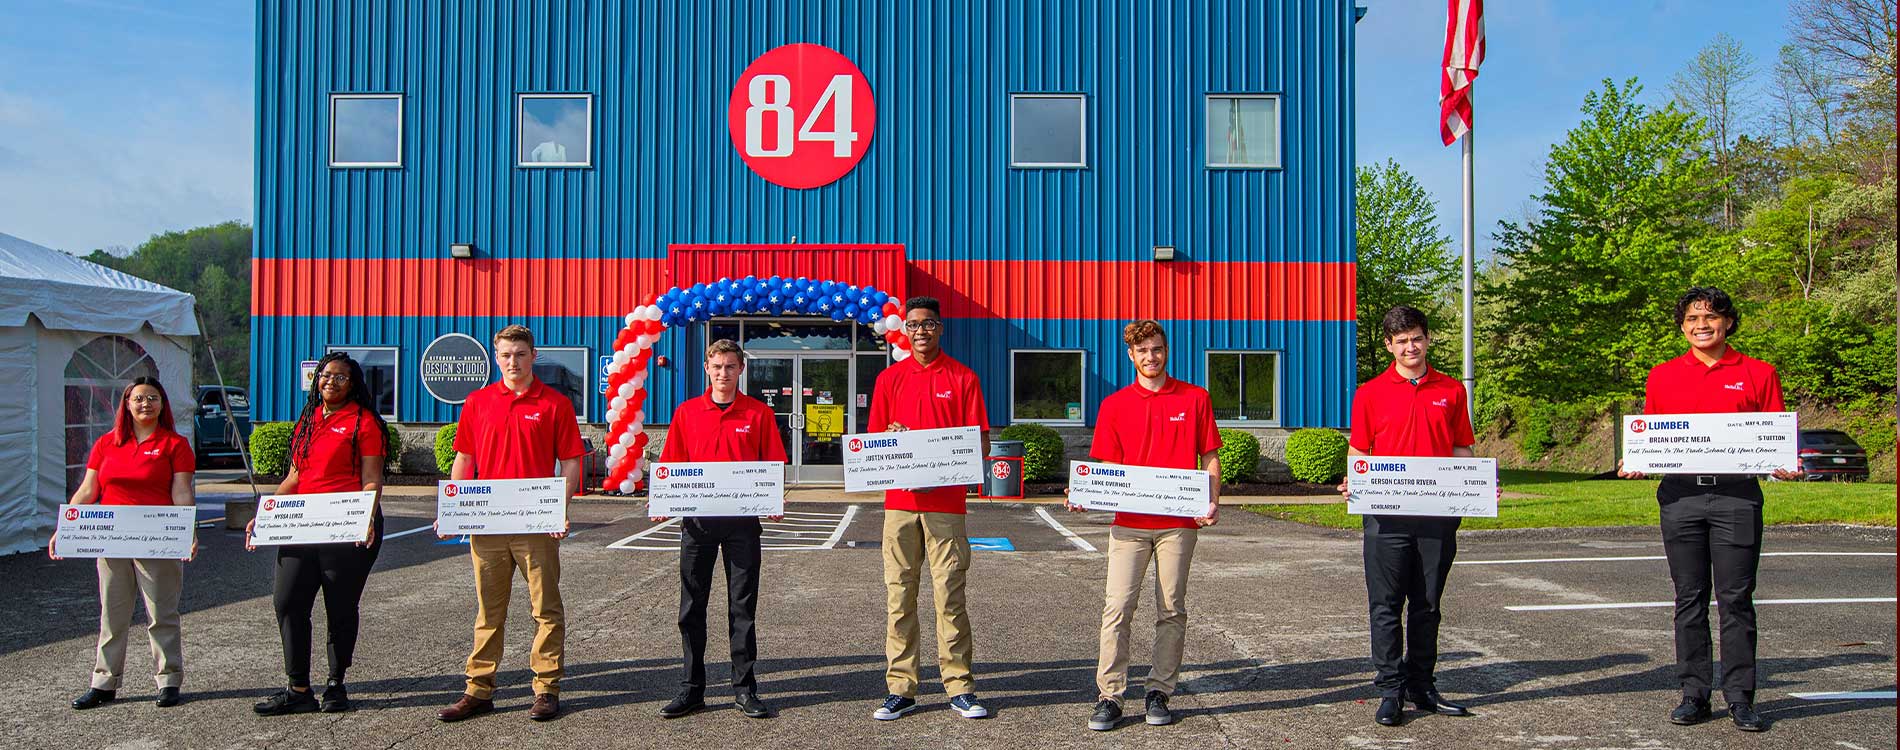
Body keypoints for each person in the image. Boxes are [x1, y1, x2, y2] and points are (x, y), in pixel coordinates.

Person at [1618, 286, 1800, 733]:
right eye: (1693, 318)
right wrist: (1640, 462)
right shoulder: (1662, 375)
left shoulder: (1759, 373)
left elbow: (1774, 439)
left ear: (1728, 322)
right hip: (1680, 498)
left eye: (1711, 317)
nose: (1702, 325)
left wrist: (1784, 465)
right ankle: (1693, 694)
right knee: (1689, 598)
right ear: (1682, 327)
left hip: (1737, 497)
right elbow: (1654, 436)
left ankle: (1740, 698)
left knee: (1736, 599)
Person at [1068, 320, 1221, 732]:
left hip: (1178, 524)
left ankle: (1159, 691)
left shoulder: (1194, 398)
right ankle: (1110, 695)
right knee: (1117, 607)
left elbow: (1208, 456)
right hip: (1129, 526)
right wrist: (1088, 493)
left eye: (1156, 348)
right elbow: (1107, 469)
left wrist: (1212, 501)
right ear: (1130, 356)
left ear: (1165, 350)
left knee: (1171, 609)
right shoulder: (1115, 405)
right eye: (1143, 351)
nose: (1151, 357)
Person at [436, 325, 586, 723]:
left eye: (520, 353)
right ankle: (478, 689)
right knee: (489, 611)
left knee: (546, 610)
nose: (512, 361)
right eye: (505, 355)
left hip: (536, 526)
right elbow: (465, 460)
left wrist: (561, 508)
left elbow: (571, 461)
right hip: (488, 525)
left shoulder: (555, 404)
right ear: (496, 357)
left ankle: (546, 688)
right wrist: (451, 511)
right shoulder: (478, 402)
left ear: (533, 355)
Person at [1337, 306, 1475, 727]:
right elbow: (1360, 452)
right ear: (1388, 346)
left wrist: (1475, 484)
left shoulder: (1451, 390)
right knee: (1385, 604)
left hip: (1436, 517)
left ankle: (1422, 685)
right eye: (1401, 341)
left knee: (1428, 604)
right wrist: (1353, 482)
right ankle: (1390, 690)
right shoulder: (1370, 393)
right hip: (1386, 517)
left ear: (1427, 339)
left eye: (1416, 338)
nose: (1409, 346)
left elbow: (1461, 450)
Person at [865, 296, 992, 721]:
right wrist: (890, 436)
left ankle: (959, 686)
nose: (921, 331)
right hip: (900, 505)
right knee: (899, 597)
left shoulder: (963, 378)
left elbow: (981, 444)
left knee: (949, 597)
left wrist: (951, 449)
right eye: (915, 324)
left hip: (946, 505)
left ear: (940, 329)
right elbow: (873, 445)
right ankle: (901, 688)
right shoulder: (889, 379)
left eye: (929, 324)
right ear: (907, 329)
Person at [652, 339, 788, 720]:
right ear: (707, 369)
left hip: (743, 525)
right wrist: (662, 503)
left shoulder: (758, 414)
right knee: (692, 608)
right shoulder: (687, 412)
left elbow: (773, 463)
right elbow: (672, 464)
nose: (723, 372)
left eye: (731, 366)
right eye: (717, 366)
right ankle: (692, 689)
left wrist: (772, 500)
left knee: (742, 608)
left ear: (740, 369)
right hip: (698, 524)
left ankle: (744, 690)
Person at [247, 353, 387, 715]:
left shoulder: (364, 421)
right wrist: (266, 514)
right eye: (326, 376)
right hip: (302, 522)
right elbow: (295, 477)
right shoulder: (307, 420)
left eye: (341, 377)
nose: (332, 382)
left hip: (346, 523)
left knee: (339, 606)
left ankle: (336, 684)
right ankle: (298, 689)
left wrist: (366, 518)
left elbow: (371, 478)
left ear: (352, 383)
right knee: (288, 601)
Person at [56, 376, 197, 710]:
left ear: (162, 404)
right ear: (127, 404)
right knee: (112, 614)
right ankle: (104, 682)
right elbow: (89, 490)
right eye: (138, 399)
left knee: (161, 613)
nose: (145, 404)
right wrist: (65, 526)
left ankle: (168, 680)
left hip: (156, 539)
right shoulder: (107, 443)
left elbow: (181, 492)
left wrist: (187, 531)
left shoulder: (175, 444)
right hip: (111, 539)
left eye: (152, 398)